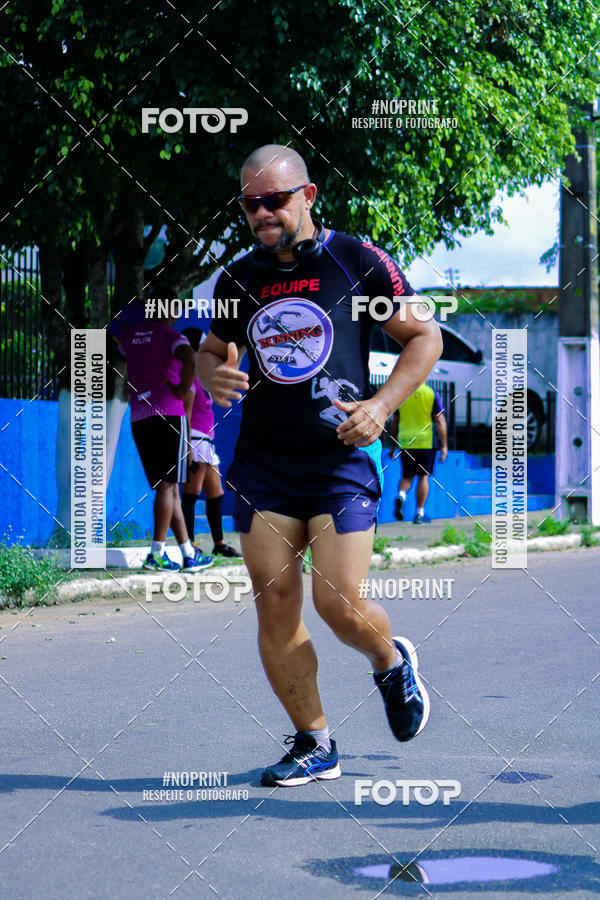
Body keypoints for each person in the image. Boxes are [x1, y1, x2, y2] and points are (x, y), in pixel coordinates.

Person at [197, 145, 443, 787]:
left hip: (339, 461)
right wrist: (216, 375)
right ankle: (314, 742)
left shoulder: (358, 261)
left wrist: (383, 405)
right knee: (275, 602)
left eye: (274, 199)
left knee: (339, 601)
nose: (261, 213)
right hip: (263, 465)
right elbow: (209, 353)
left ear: (307, 196)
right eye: (250, 204)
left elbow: (425, 337)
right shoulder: (238, 279)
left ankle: (390, 661)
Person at [118, 284, 213, 572]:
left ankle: (187, 553)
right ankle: (156, 553)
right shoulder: (173, 336)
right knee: (168, 485)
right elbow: (190, 359)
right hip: (168, 414)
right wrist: (183, 389)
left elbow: (119, 343)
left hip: (139, 415)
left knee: (165, 487)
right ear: (168, 310)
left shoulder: (130, 337)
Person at [181, 327, 240, 557]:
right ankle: (189, 545)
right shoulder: (190, 379)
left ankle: (219, 544)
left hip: (207, 441)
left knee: (216, 492)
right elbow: (185, 415)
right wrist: (188, 450)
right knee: (191, 493)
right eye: (204, 346)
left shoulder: (202, 378)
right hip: (195, 441)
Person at [391, 383, 448, 523]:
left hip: (405, 441)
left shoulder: (402, 392)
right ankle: (419, 514)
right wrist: (444, 446)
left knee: (406, 477)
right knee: (423, 477)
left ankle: (401, 495)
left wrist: (393, 445)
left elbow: (394, 421)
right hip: (425, 442)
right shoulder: (430, 392)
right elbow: (439, 420)